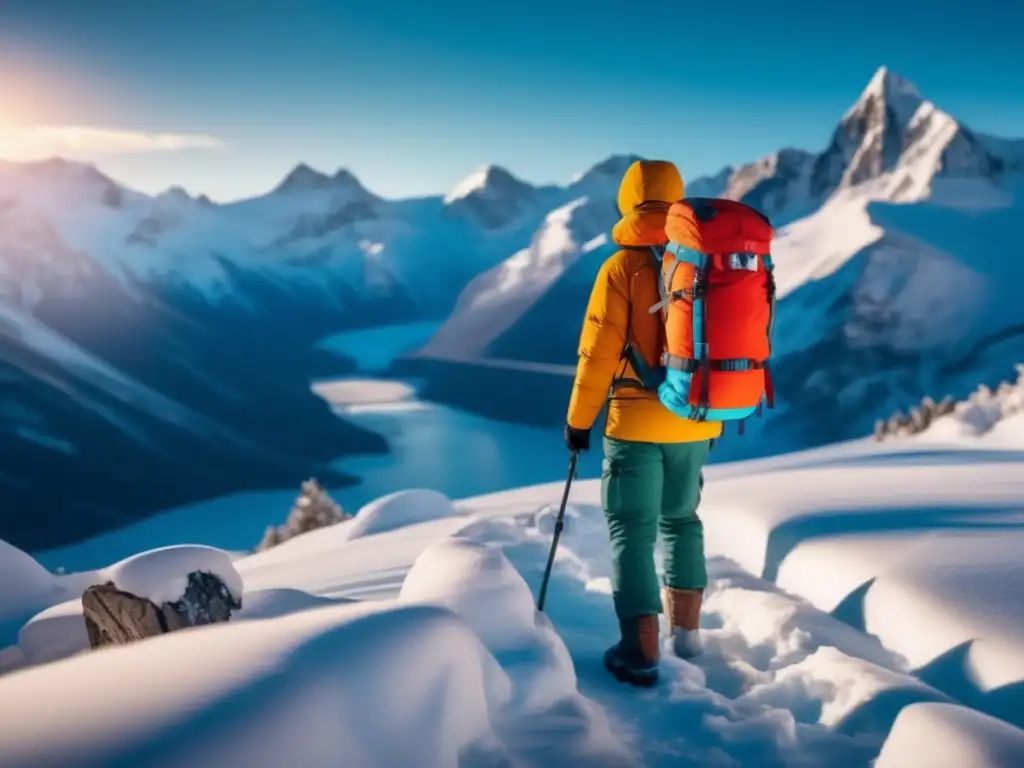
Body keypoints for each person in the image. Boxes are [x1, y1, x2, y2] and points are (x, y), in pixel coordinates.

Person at [564, 159, 721, 687]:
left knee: (632, 529)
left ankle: (640, 648)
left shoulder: (622, 268)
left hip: (633, 421)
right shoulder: (706, 257)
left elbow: (597, 354)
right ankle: (691, 637)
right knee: (682, 520)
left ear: (628, 199)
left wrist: (577, 421)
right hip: (697, 417)